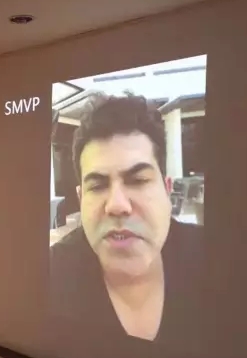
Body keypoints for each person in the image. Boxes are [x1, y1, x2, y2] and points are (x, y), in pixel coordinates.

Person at [50, 94, 204, 343]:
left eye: (138, 180)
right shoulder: (50, 277)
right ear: (80, 199)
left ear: (167, 190)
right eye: (97, 186)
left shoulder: (213, 258)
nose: (117, 205)